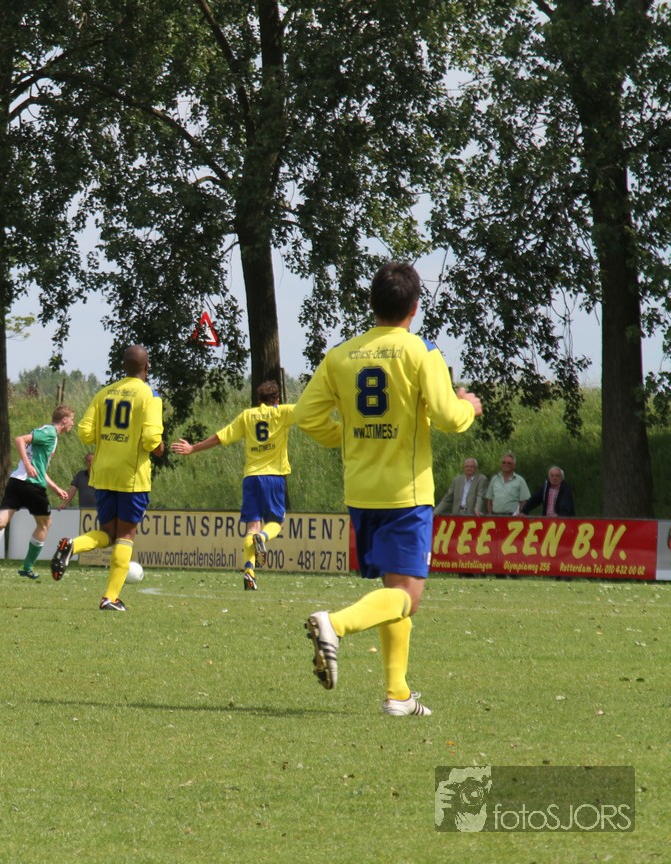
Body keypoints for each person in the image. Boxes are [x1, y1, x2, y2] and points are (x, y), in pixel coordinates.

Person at [294, 262, 482, 716]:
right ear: (414, 307)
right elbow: (447, 417)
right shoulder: (421, 352)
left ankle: (398, 694)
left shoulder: (341, 355)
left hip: (361, 492)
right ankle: (334, 624)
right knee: (408, 596)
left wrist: (347, 436)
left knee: (393, 590)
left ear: (372, 304)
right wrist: (468, 407)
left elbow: (305, 416)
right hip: (405, 492)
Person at [50, 346, 165, 611]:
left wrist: (109, 438)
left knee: (108, 533)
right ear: (147, 366)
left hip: (102, 474)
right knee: (126, 534)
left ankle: (72, 545)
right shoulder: (150, 395)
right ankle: (110, 598)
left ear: (123, 366)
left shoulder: (103, 393)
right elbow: (150, 439)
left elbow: (85, 433)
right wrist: (157, 446)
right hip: (131, 476)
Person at [170, 379, 294, 591]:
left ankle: (249, 572)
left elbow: (220, 437)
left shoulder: (247, 416)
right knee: (276, 522)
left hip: (251, 478)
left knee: (251, 527)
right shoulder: (282, 412)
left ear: (258, 400)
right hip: (273, 476)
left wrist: (193, 448)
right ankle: (263, 537)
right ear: (277, 400)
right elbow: (308, 410)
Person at [0, 406, 75, 578]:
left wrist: (55, 488)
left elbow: (38, 467)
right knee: (45, 525)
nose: (73, 424)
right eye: (72, 420)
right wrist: (28, 465)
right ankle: (27, 566)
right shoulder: (50, 432)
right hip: (32, 485)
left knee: (0, 522)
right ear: (64, 420)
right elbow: (19, 440)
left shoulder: (47, 434)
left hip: (16, 482)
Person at [484, 452, 530, 516]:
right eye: (504, 462)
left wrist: (520, 513)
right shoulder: (494, 479)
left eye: (509, 463)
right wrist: (490, 515)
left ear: (514, 466)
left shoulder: (520, 480)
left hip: (513, 517)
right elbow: (489, 499)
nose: (506, 464)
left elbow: (524, 501)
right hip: (495, 516)